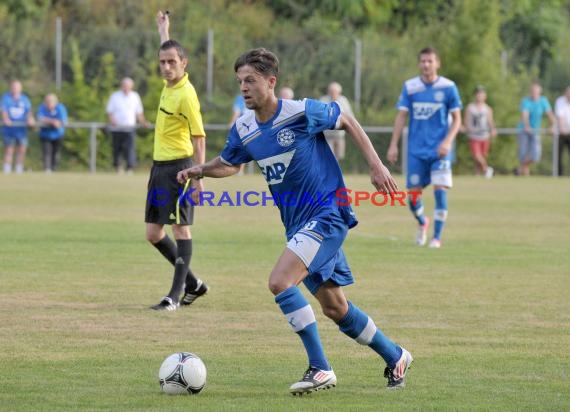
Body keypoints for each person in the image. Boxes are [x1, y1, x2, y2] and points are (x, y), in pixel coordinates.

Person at [177, 48, 412, 394]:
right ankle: (396, 356)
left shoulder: (299, 112)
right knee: (335, 307)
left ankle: (320, 367)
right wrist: (201, 170)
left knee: (280, 281)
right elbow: (231, 163)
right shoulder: (244, 128)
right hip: (298, 226)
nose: (244, 87)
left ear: (271, 82)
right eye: (240, 81)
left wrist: (377, 165)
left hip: (327, 213)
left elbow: (345, 119)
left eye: (251, 80)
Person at [146, 10, 209, 311]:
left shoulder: (186, 94)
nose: (167, 67)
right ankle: (195, 284)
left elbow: (199, 137)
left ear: (184, 64)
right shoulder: (169, 86)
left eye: (173, 62)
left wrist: (197, 178)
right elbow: (167, 49)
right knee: (153, 233)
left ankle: (174, 296)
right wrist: (164, 29)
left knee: (180, 230)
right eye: (163, 62)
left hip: (181, 169)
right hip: (159, 167)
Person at [387, 46, 462, 249]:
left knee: (440, 191)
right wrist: (394, 144)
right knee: (412, 197)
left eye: (430, 61)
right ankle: (423, 222)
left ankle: (436, 238)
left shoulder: (448, 87)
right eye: (423, 61)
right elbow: (401, 115)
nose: (426, 64)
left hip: (440, 151)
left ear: (437, 63)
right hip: (416, 150)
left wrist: (447, 142)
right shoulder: (410, 87)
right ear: (419, 64)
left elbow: (457, 120)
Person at [106, 77, 149, 174]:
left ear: (131, 87)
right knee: (116, 149)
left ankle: (130, 168)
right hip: (116, 128)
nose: (126, 88)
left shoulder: (135, 96)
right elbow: (109, 111)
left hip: (129, 128)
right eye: (124, 86)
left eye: (128, 86)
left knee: (130, 149)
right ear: (121, 86)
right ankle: (117, 167)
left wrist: (143, 122)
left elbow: (139, 112)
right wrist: (112, 120)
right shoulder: (115, 96)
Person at [516, 80, 556, 176]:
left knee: (536, 155)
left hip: (536, 130)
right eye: (532, 89)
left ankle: (520, 169)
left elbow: (550, 115)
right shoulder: (525, 101)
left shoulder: (543, 101)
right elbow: (525, 115)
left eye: (536, 89)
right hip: (524, 130)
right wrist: (527, 126)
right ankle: (524, 174)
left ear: (540, 90)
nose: (534, 91)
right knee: (523, 153)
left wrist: (552, 126)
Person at [2, 80, 35, 174]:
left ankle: (19, 168)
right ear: (11, 88)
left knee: (22, 149)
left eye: (17, 87)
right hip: (9, 130)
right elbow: (3, 110)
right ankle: (7, 169)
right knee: (9, 149)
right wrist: (5, 119)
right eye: (14, 87)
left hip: (21, 130)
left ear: (20, 89)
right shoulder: (6, 98)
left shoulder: (25, 99)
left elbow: (29, 111)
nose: (15, 89)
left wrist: (30, 119)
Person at [464, 85, 497, 178]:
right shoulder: (470, 107)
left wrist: (493, 129)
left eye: (481, 94)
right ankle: (487, 170)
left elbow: (490, 121)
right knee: (477, 155)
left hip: (484, 135)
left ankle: (478, 174)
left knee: (482, 156)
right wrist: (466, 127)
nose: (479, 96)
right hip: (474, 135)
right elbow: (466, 120)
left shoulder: (487, 108)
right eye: (478, 94)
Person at [320, 82, 354, 161]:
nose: (333, 93)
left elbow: (350, 115)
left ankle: (337, 173)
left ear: (339, 92)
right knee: (328, 156)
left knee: (339, 157)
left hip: (339, 135)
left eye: (335, 91)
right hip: (327, 135)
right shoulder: (323, 100)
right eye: (331, 91)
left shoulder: (343, 100)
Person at [37, 93, 68, 173]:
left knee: (56, 153)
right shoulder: (42, 108)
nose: (49, 103)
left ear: (55, 102)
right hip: (45, 135)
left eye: (51, 101)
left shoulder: (60, 108)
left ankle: (54, 169)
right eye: (47, 101)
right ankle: (47, 169)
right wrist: (52, 121)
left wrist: (57, 122)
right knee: (46, 152)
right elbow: (40, 118)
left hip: (58, 134)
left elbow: (64, 121)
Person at [554, 86, 570, 176]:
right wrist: (563, 129)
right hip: (561, 133)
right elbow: (560, 117)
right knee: (558, 155)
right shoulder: (560, 101)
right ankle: (559, 175)